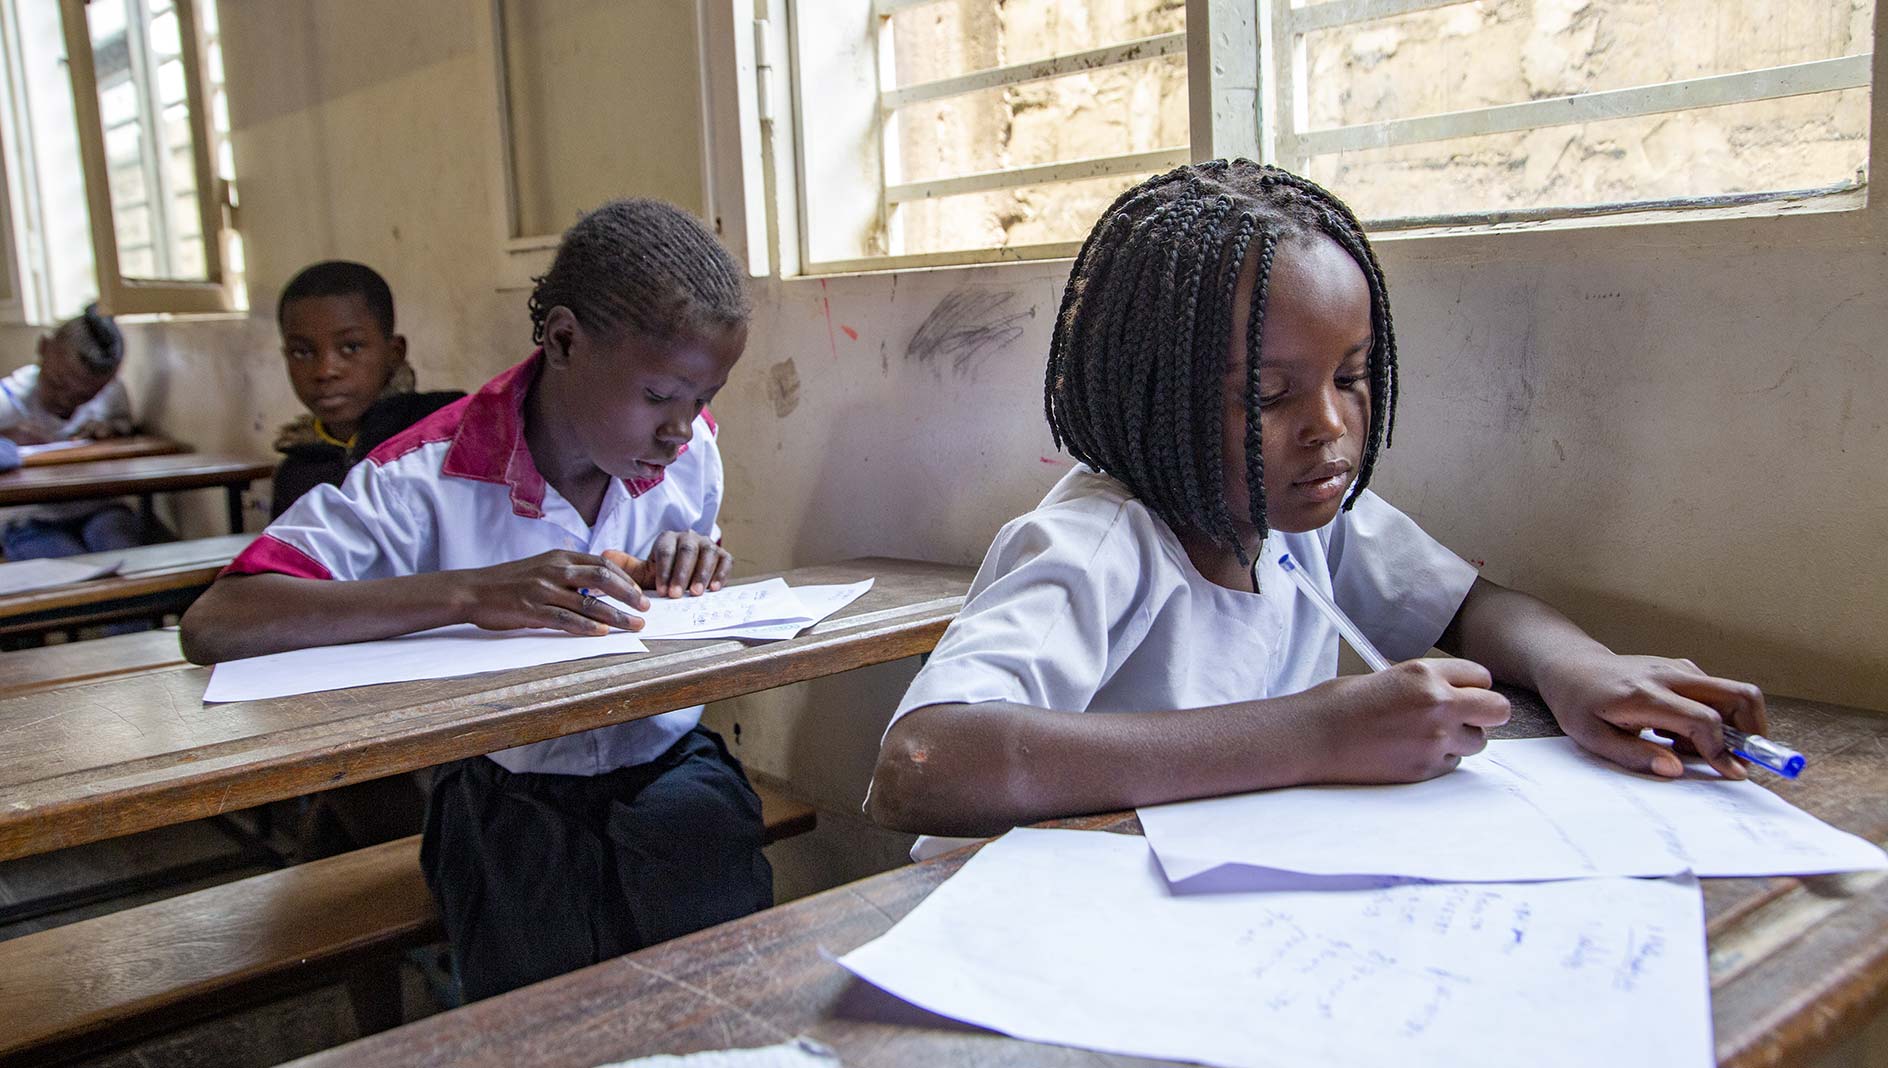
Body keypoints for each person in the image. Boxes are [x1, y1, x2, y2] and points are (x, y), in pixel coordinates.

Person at [867, 161, 1769, 847]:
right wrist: (1317, 733)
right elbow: (922, 765)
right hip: (1052, 943)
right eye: (1268, 394)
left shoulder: (1304, 521)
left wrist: (1580, 671)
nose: (1330, 426)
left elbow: (1472, 608)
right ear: (1150, 396)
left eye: (1353, 376)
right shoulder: (1096, 548)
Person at [180, 199, 770, 1000]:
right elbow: (219, 620)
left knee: (715, 994)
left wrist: (686, 562)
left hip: (669, 772)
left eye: (703, 397)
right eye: (660, 394)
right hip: (510, 801)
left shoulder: (688, 451)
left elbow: (669, 584)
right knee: (550, 1019)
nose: (682, 427)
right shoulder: (425, 473)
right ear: (565, 341)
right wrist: (468, 592)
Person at [270, 261, 463, 519]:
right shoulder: (295, 474)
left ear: (394, 353)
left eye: (350, 347)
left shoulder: (443, 434)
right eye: (301, 352)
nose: (325, 371)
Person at [0, 304, 145, 559]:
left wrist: (112, 432)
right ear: (44, 347)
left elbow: (125, 431)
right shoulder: (8, 400)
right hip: (29, 518)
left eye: (84, 395)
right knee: (67, 569)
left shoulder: (111, 395)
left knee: (127, 559)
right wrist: (8, 446)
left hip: (101, 506)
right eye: (57, 384)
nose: (66, 400)